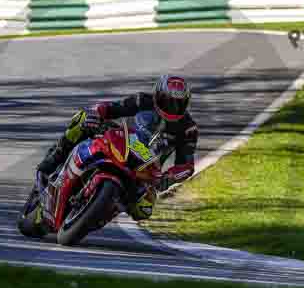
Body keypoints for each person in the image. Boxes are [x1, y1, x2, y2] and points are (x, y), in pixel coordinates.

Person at [35, 75, 198, 214]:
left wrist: (169, 177)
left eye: (178, 104)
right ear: (157, 96)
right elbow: (112, 108)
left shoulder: (188, 129)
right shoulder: (142, 100)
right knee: (83, 118)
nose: (172, 108)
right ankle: (55, 158)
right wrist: (96, 112)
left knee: (144, 210)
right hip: (119, 143)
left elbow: (186, 165)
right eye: (167, 101)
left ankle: (100, 214)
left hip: (144, 170)